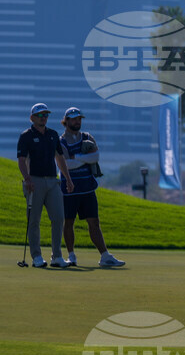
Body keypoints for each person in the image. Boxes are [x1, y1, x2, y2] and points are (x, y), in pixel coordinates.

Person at [59, 107, 125, 268]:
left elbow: (96, 156)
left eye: (79, 119)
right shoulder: (61, 142)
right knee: (68, 223)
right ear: (66, 121)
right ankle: (71, 256)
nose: (77, 121)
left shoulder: (88, 137)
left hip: (88, 188)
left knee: (94, 223)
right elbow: (66, 164)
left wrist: (79, 157)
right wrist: (85, 159)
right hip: (69, 189)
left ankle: (105, 256)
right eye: (74, 119)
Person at [17, 103, 73, 268]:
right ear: (32, 118)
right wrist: (27, 179)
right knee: (34, 220)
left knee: (58, 218)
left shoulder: (53, 135)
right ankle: (36, 256)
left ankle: (57, 256)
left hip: (52, 181)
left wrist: (68, 179)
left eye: (46, 115)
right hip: (34, 181)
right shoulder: (26, 136)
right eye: (40, 115)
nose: (43, 118)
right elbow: (21, 160)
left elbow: (60, 158)